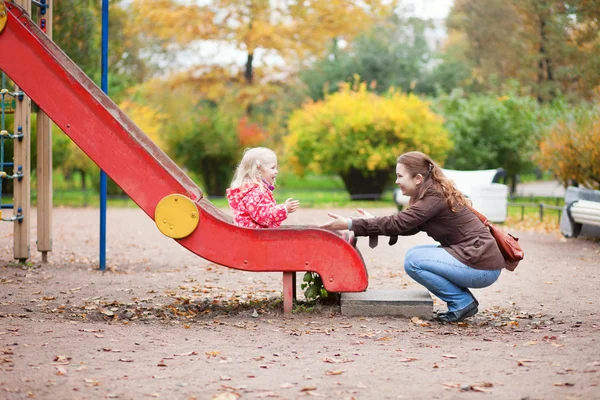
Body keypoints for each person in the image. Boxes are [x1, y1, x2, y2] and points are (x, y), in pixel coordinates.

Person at [320, 151, 505, 323]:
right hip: (478, 261)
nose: (396, 181)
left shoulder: (433, 196)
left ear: (418, 178)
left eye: (400, 176)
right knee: (416, 253)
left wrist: (350, 224)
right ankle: (462, 301)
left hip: (481, 266)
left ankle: (462, 303)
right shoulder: (430, 194)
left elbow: (399, 222)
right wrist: (372, 223)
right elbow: (407, 225)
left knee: (414, 260)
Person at [227, 147, 299, 228]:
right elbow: (263, 216)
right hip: (255, 236)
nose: (276, 171)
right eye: (273, 168)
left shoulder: (252, 189)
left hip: (252, 234)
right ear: (259, 172)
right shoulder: (255, 192)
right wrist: (284, 209)